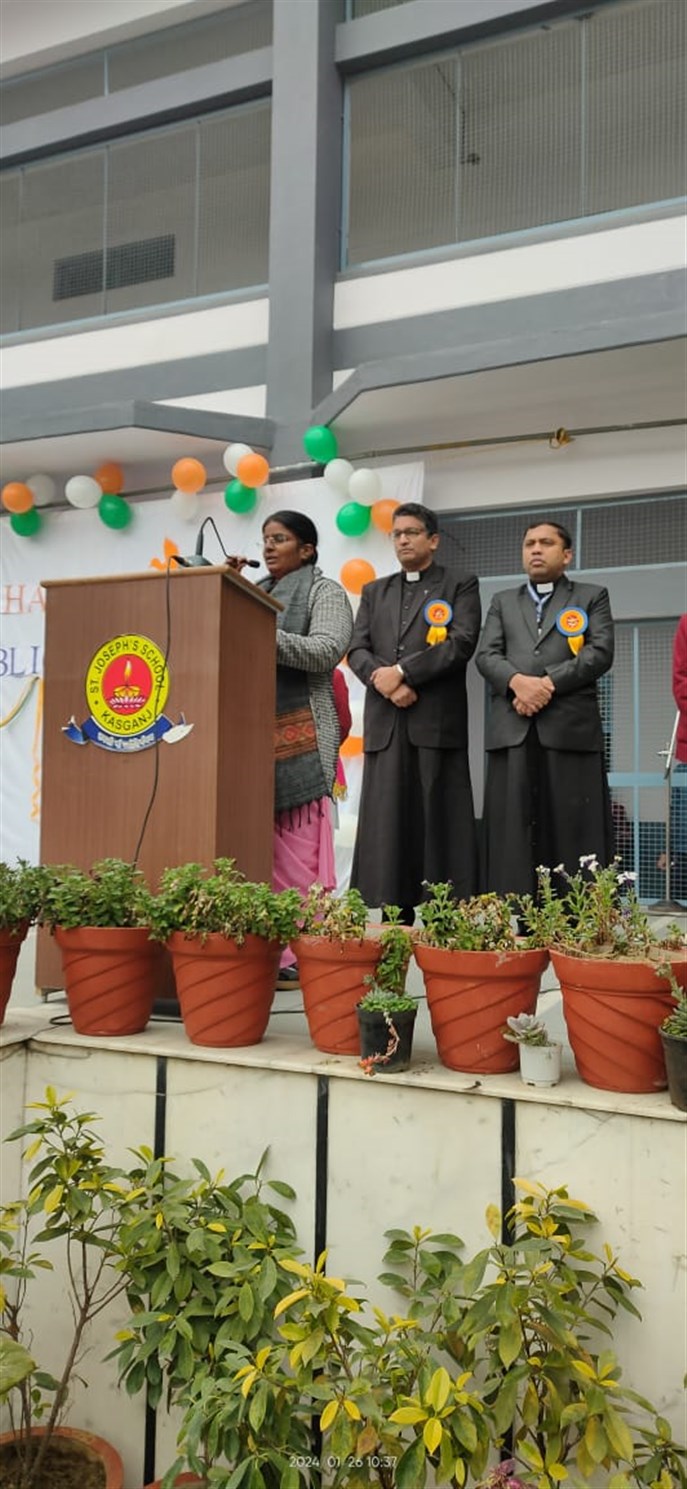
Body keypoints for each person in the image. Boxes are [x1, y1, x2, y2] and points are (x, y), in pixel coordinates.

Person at [348, 502, 481, 923]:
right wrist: (382, 680)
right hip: (387, 725)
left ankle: (444, 918)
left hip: (435, 724)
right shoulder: (375, 591)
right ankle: (394, 915)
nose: (403, 540)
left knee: (440, 819)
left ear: (433, 540)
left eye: (412, 532)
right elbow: (356, 648)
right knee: (390, 821)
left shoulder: (459, 584)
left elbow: (461, 642)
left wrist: (403, 673)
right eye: (397, 534)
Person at [476, 519, 614, 897]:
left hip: (569, 731)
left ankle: (576, 912)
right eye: (529, 544)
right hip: (513, 728)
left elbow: (600, 652)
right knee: (514, 827)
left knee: (572, 825)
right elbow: (487, 655)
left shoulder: (591, 596)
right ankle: (519, 909)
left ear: (567, 555)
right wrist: (517, 683)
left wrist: (547, 684)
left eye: (546, 543)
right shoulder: (503, 601)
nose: (536, 549)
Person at [256, 511, 353, 985]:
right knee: (257, 851)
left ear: (307, 549)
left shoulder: (324, 592)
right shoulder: (254, 593)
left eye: (280, 539)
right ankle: (264, 948)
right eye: (265, 539)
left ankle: (297, 951)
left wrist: (259, 632)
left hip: (304, 743)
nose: (269, 547)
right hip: (249, 740)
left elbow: (326, 650)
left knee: (297, 852)